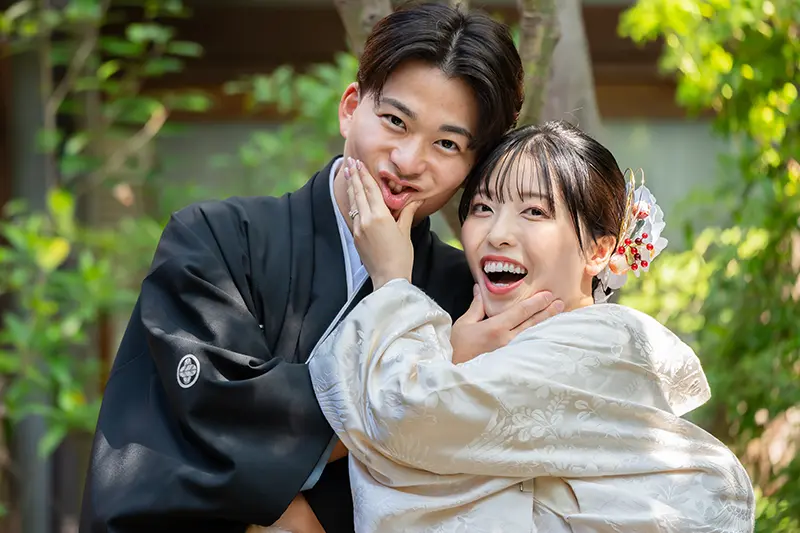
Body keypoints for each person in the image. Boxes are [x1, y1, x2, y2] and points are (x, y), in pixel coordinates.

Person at [78, 4, 564, 533]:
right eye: (395, 121)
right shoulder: (216, 240)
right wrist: (437, 368)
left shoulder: (468, 297)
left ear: (473, 166)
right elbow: (211, 416)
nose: (407, 161)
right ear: (350, 108)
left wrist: (397, 293)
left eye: (446, 144)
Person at [306, 120, 756, 532]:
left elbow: (409, 417)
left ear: (599, 250)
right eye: (482, 207)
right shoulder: (498, 343)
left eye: (535, 212)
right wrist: (454, 358)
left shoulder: (602, 342)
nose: (497, 233)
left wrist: (391, 281)